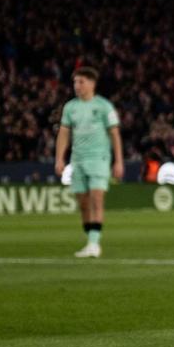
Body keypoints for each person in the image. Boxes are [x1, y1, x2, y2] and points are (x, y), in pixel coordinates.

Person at [55, 67, 124, 258]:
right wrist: (59, 158)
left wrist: (118, 161)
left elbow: (114, 134)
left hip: (99, 158)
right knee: (83, 203)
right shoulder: (70, 107)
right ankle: (91, 240)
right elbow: (64, 133)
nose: (77, 86)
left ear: (92, 84)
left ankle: (94, 243)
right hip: (78, 159)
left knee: (96, 198)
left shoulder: (104, 106)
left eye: (81, 82)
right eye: (75, 82)